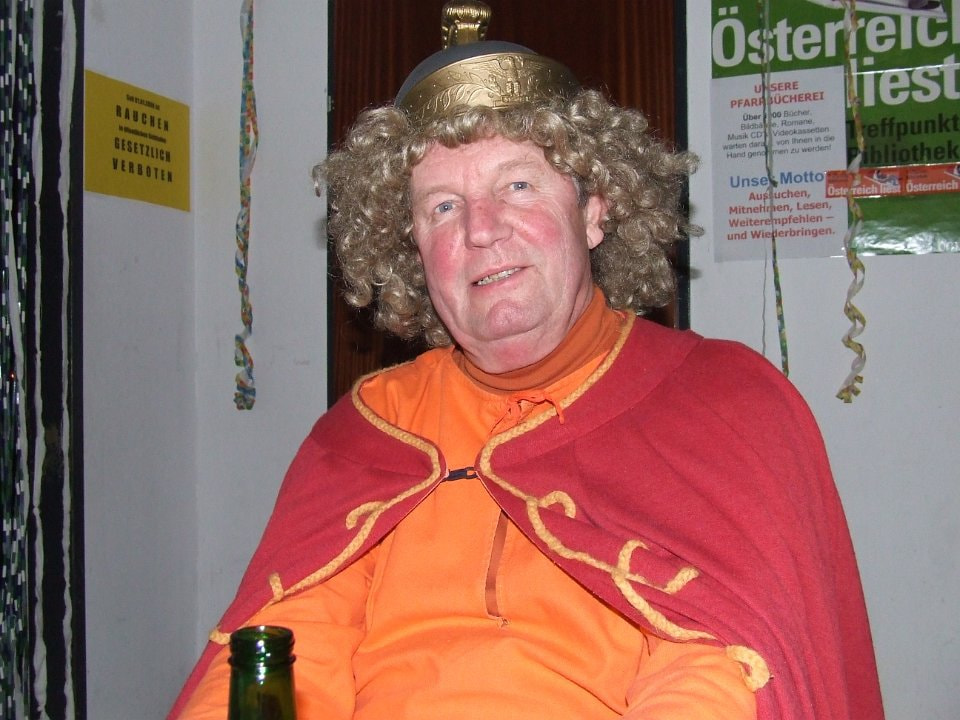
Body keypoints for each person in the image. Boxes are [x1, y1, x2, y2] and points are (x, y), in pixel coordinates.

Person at [169, 5, 884, 719]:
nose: (481, 230)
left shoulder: (723, 402)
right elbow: (292, 640)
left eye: (517, 185)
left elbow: (714, 666)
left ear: (594, 208)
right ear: (411, 247)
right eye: (443, 207)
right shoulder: (370, 429)